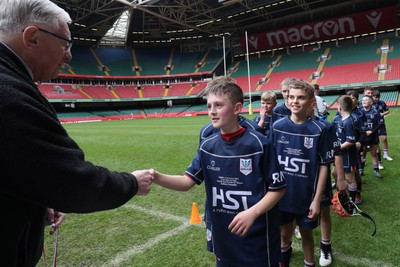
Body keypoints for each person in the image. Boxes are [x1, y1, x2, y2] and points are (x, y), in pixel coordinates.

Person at [0, 1, 153, 266]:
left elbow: (19, 170)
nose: (69, 55)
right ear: (32, 38)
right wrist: (131, 183)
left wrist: (39, 199)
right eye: (65, 43)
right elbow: (72, 181)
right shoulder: (9, 94)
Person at [153, 76, 286, 267]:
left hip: (257, 237)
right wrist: (155, 176)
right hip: (224, 234)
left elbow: (278, 188)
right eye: (209, 106)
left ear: (237, 108)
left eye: (218, 105)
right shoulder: (207, 146)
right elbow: (186, 182)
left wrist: (252, 213)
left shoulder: (259, 144)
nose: (212, 112)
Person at [268, 80, 335, 267]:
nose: (294, 101)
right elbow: (271, 162)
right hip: (282, 195)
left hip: (306, 197)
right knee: (283, 234)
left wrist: (316, 199)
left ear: (312, 103)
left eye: (301, 98)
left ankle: (309, 263)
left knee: (306, 234)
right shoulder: (277, 127)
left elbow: (323, 166)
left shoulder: (319, 130)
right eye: (291, 97)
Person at [332, 96, 360, 203]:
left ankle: (351, 201)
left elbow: (350, 141)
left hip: (349, 155)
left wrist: (337, 147)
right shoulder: (336, 119)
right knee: (334, 173)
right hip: (338, 154)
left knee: (350, 177)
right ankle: (341, 189)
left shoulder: (349, 122)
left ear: (339, 107)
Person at [359, 95, 384, 178]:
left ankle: (376, 171)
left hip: (373, 136)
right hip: (363, 136)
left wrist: (372, 131)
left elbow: (381, 123)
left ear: (371, 102)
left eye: (366, 100)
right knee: (362, 153)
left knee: (374, 153)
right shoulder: (360, 112)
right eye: (363, 100)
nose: (364, 101)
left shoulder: (375, 112)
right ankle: (361, 170)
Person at [372, 90, 393, 162]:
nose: (376, 99)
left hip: (381, 123)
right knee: (375, 141)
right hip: (372, 124)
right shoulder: (370, 103)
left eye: (377, 97)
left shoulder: (382, 103)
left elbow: (387, 111)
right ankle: (376, 158)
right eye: (374, 97)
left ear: (379, 97)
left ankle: (386, 155)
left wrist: (382, 114)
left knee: (384, 138)